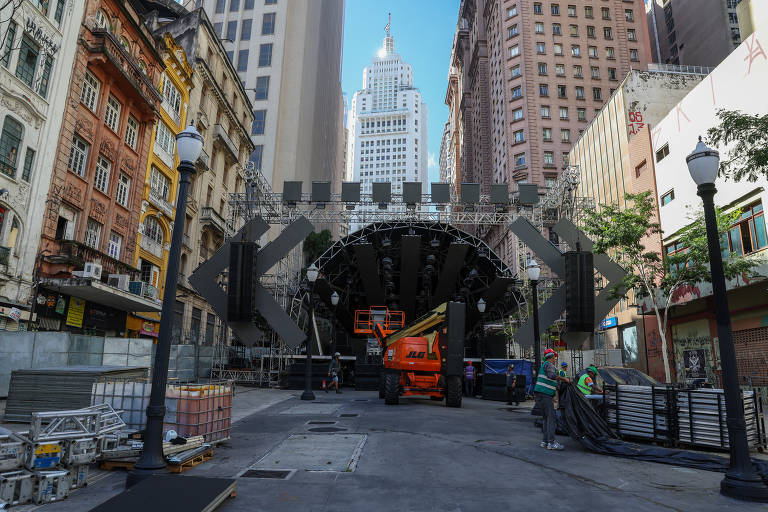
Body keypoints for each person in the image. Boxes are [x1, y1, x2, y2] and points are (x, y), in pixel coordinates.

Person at [534, 348, 568, 450]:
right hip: (545, 395)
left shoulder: (544, 365)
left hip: (541, 395)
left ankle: (545, 441)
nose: (555, 359)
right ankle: (551, 442)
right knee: (552, 418)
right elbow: (552, 375)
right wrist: (564, 379)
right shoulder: (548, 365)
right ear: (550, 357)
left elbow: (550, 380)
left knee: (546, 418)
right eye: (554, 357)